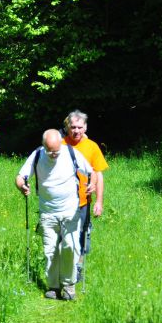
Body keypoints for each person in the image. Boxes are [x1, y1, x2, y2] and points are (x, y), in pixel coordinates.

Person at [15, 129, 93, 300]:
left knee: (70, 247)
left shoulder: (71, 153)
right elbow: (20, 176)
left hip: (70, 211)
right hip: (48, 213)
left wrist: (91, 185)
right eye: (49, 150)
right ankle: (53, 286)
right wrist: (22, 186)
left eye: (56, 150)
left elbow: (91, 172)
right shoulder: (37, 155)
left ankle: (69, 285)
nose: (53, 154)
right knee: (50, 251)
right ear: (44, 146)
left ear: (61, 145)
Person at [62, 110, 109, 281]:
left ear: (85, 127)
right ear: (67, 127)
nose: (76, 131)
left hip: (83, 202)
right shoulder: (60, 145)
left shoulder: (92, 147)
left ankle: (78, 267)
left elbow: (99, 174)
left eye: (79, 127)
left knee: (81, 235)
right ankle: (64, 268)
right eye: (73, 127)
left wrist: (99, 202)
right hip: (63, 202)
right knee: (63, 237)